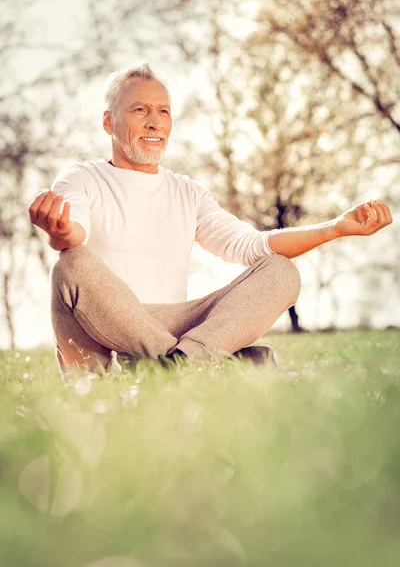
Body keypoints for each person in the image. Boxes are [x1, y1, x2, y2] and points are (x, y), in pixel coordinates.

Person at [28, 65, 393, 376]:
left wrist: (335, 228)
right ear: (109, 122)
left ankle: (180, 365)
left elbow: (253, 246)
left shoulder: (189, 193)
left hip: (175, 325)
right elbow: (72, 231)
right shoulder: (81, 178)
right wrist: (61, 232)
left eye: (164, 111)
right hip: (106, 328)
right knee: (71, 263)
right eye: (140, 110)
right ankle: (208, 366)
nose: (155, 122)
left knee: (281, 272)